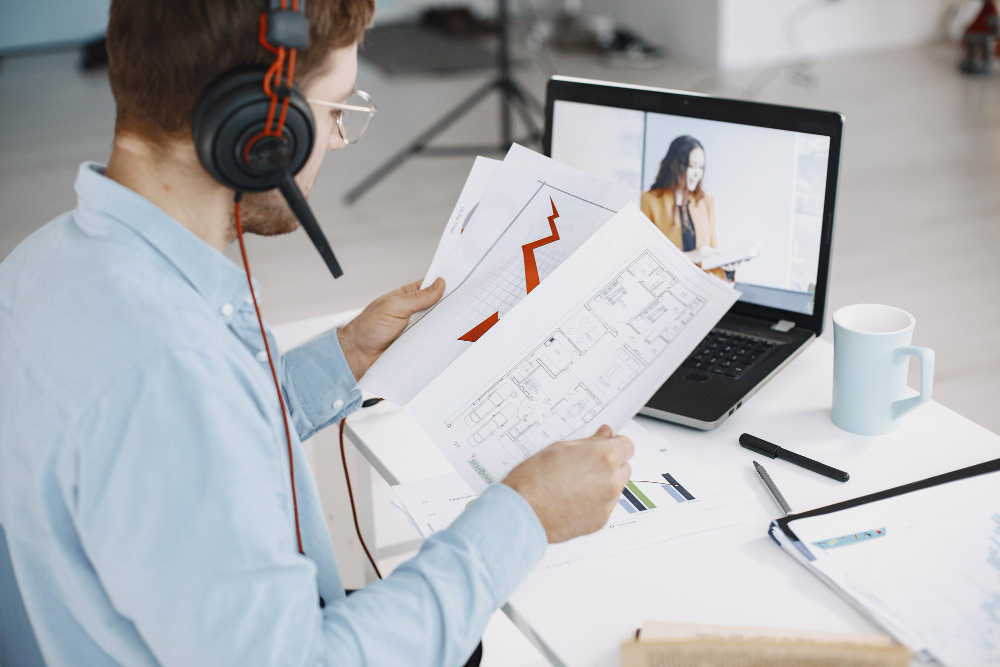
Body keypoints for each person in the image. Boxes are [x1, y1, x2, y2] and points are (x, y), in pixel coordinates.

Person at [0, 2, 634, 666]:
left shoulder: (41, 265)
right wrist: (525, 514)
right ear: (258, 129)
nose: (334, 140)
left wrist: (345, 354)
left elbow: (179, 460)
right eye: (335, 112)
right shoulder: (169, 373)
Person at [640, 135, 735, 282]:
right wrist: (693, 256)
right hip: (664, 291)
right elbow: (645, 262)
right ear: (675, 166)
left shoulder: (706, 202)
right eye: (692, 166)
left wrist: (728, 268)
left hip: (702, 290)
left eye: (701, 167)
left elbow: (713, 257)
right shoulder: (649, 201)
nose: (697, 174)